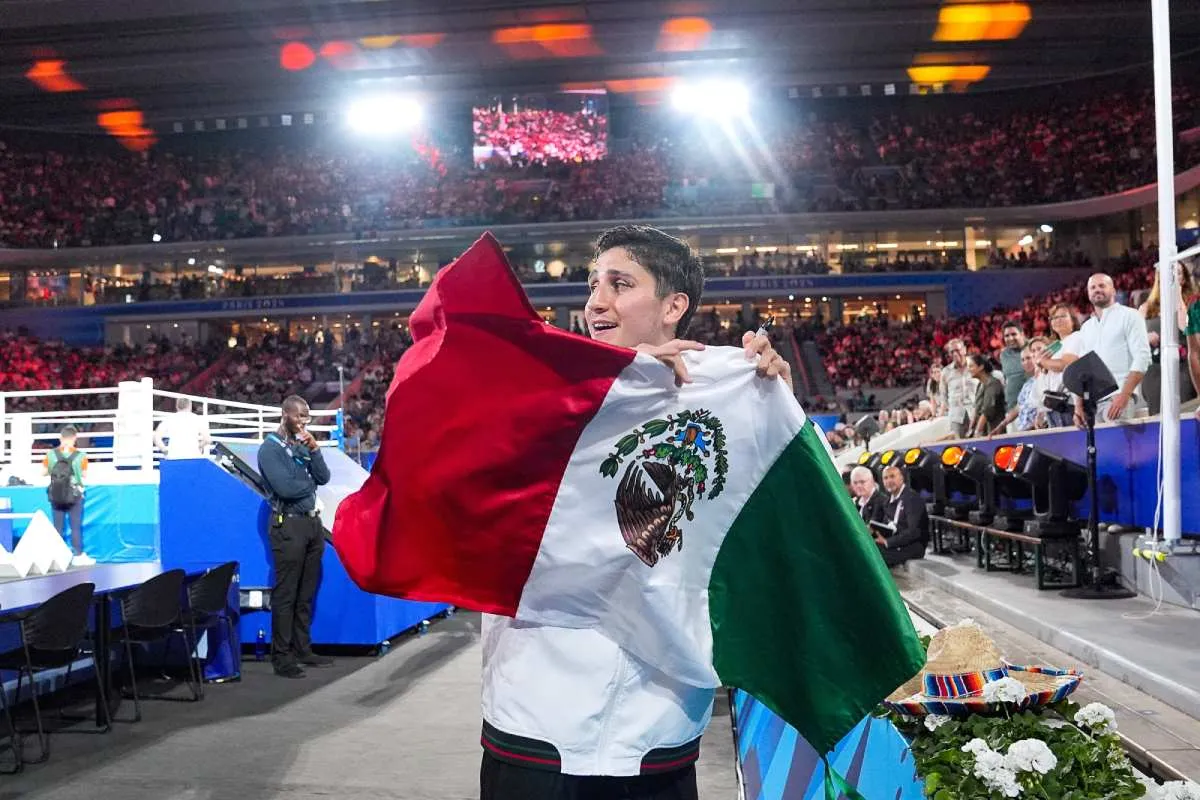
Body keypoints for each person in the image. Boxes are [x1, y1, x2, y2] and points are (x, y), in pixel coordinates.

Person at [480, 225, 790, 800]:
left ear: (675, 305)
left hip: (658, 727)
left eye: (619, 284)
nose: (596, 301)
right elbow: (474, 476)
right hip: (536, 723)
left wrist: (778, 410)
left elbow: (791, 531)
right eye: (592, 284)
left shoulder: (728, 397)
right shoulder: (539, 388)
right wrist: (606, 383)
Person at [257, 395, 334, 679]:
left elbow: (324, 477)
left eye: (306, 417)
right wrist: (309, 482)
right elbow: (286, 489)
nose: (303, 422)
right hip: (287, 526)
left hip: (312, 526)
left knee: (306, 592)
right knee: (286, 593)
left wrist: (314, 451)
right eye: (299, 416)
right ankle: (282, 656)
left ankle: (303, 648)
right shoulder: (270, 449)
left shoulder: (303, 446)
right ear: (285, 415)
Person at [1069, 273, 1152, 424]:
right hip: (1092, 404)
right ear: (1088, 294)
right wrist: (1078, 406)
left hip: (1118, 397)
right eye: (1092, 287)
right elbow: (1082, 368)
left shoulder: (1130, 316)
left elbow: (1143, 358)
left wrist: (1124, 395)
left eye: (1102, 285)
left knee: (1117, 446)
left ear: (1113, 290)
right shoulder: (1087, 327)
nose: (1097, 290)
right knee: (1102, 448)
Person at [43, 425, 94, 566]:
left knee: (57, 527)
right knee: (75, 526)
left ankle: (57, 558)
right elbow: (84, 475)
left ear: (61, 437)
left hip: (56, 495)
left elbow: (43, 472)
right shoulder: (81, 456)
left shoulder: (51, 454)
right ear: (75, 438)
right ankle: (77, 555)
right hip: (75, 495)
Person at [871, 465, 928, 567]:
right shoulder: (888, 501)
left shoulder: (912, 498)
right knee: (868, 546)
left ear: (901, 478)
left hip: (913, 546)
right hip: (896, 542)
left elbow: (914, 531)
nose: (889, 481)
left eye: (892, 476)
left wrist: (888, 542)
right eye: (886, 478)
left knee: (873, 555)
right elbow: (887, 524)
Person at [968, 354, 1005, 438]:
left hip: (994, 431)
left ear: (981, 367)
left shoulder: (993, 383)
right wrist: (970, 430)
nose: (969, 369)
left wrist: (978, 431)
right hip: (983, 431)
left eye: (971, 366)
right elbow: (976, 408)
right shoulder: (980, 385)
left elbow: (987, 410)